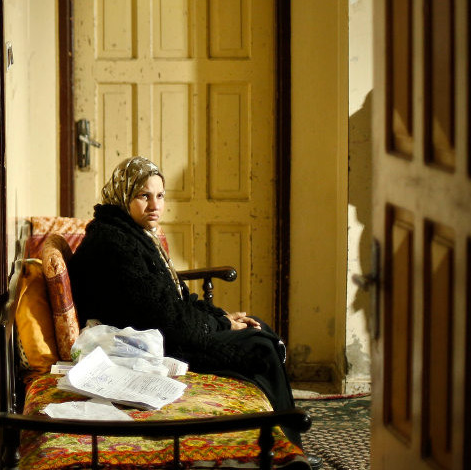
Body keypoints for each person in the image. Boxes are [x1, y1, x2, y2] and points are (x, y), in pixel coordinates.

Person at [68, 156, 303, 445]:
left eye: (160, 195)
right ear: (123, 195)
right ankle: (285, 448)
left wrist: (223, 317)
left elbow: (174, 295)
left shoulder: (134, 234)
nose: (155, 205)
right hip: (148, 345)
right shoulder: (114, 244)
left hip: (163, 330)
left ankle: (285, 439)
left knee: (257, 329)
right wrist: (219, 324)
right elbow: (163, 316)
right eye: (144, 196)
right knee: (260, 347)